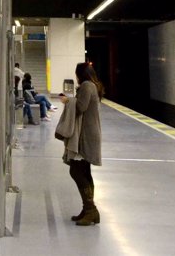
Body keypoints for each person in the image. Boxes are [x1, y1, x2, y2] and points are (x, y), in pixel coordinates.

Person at [59, 62, 104, 226]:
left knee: (76, 171)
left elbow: (80, 107)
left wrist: (66, 101)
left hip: (85, 135)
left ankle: (91, 210)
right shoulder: (94, 85)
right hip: (90, 133)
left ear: (81, 74)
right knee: (84, 171)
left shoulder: (86, 85)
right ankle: (88, 210)